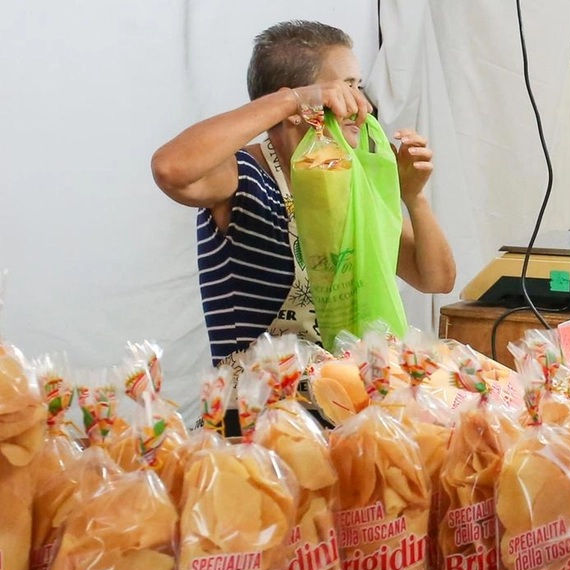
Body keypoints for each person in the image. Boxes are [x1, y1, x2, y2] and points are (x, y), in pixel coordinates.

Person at [151, 20, 456, 369]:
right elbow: (170, 168)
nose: (362, 106)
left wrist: (414, 198)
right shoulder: (243, 174)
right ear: (300, 105)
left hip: (344, 401)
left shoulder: (349, 178)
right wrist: (290, 100)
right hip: (259, 411)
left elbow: (436, 279)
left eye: (360, 87)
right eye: (346, 88)